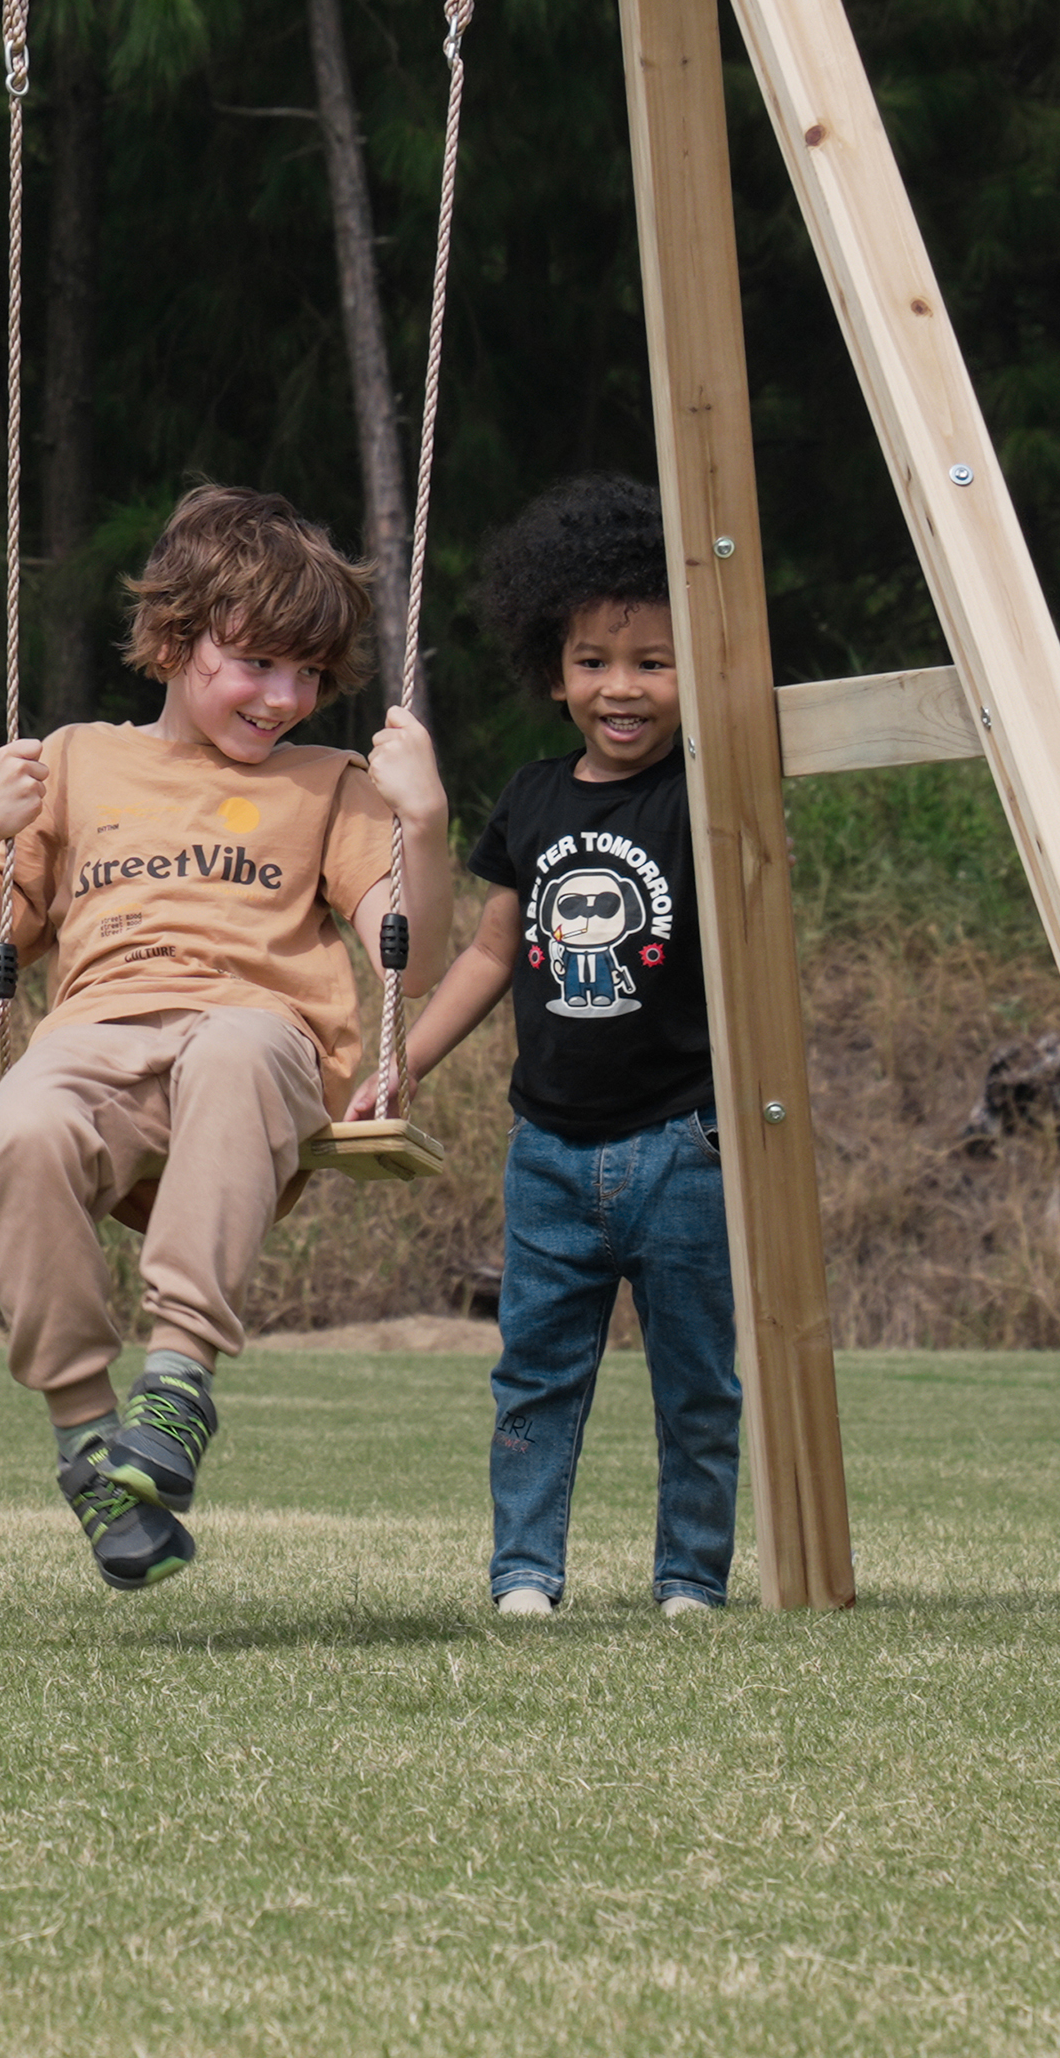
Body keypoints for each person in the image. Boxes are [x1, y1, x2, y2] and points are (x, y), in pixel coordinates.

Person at [0, 484, 455, 1593]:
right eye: (257, 663)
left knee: (230, 1046)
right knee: (17, 1127)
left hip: (260, 1039)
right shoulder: (75, 762)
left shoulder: (332, 785)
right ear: (176, 639)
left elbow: (408, 950)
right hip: (96, 1035)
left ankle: (175, 1385)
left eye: (308, 674)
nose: (284, 698)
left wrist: (422, 822)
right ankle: (88, 1436)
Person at [400, 473, 739, 1621]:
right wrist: (402, 1061)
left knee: (697, 1386)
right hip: (546, 1153)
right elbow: (493, 956)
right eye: (594, 660)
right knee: (534, 1378)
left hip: (683, 1146)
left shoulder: (709, 797)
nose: (623, 687)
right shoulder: (536, 800)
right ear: (554, 673)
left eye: (654, 659)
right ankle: (524, 1575)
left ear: (696, 671)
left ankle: (690, 1576)